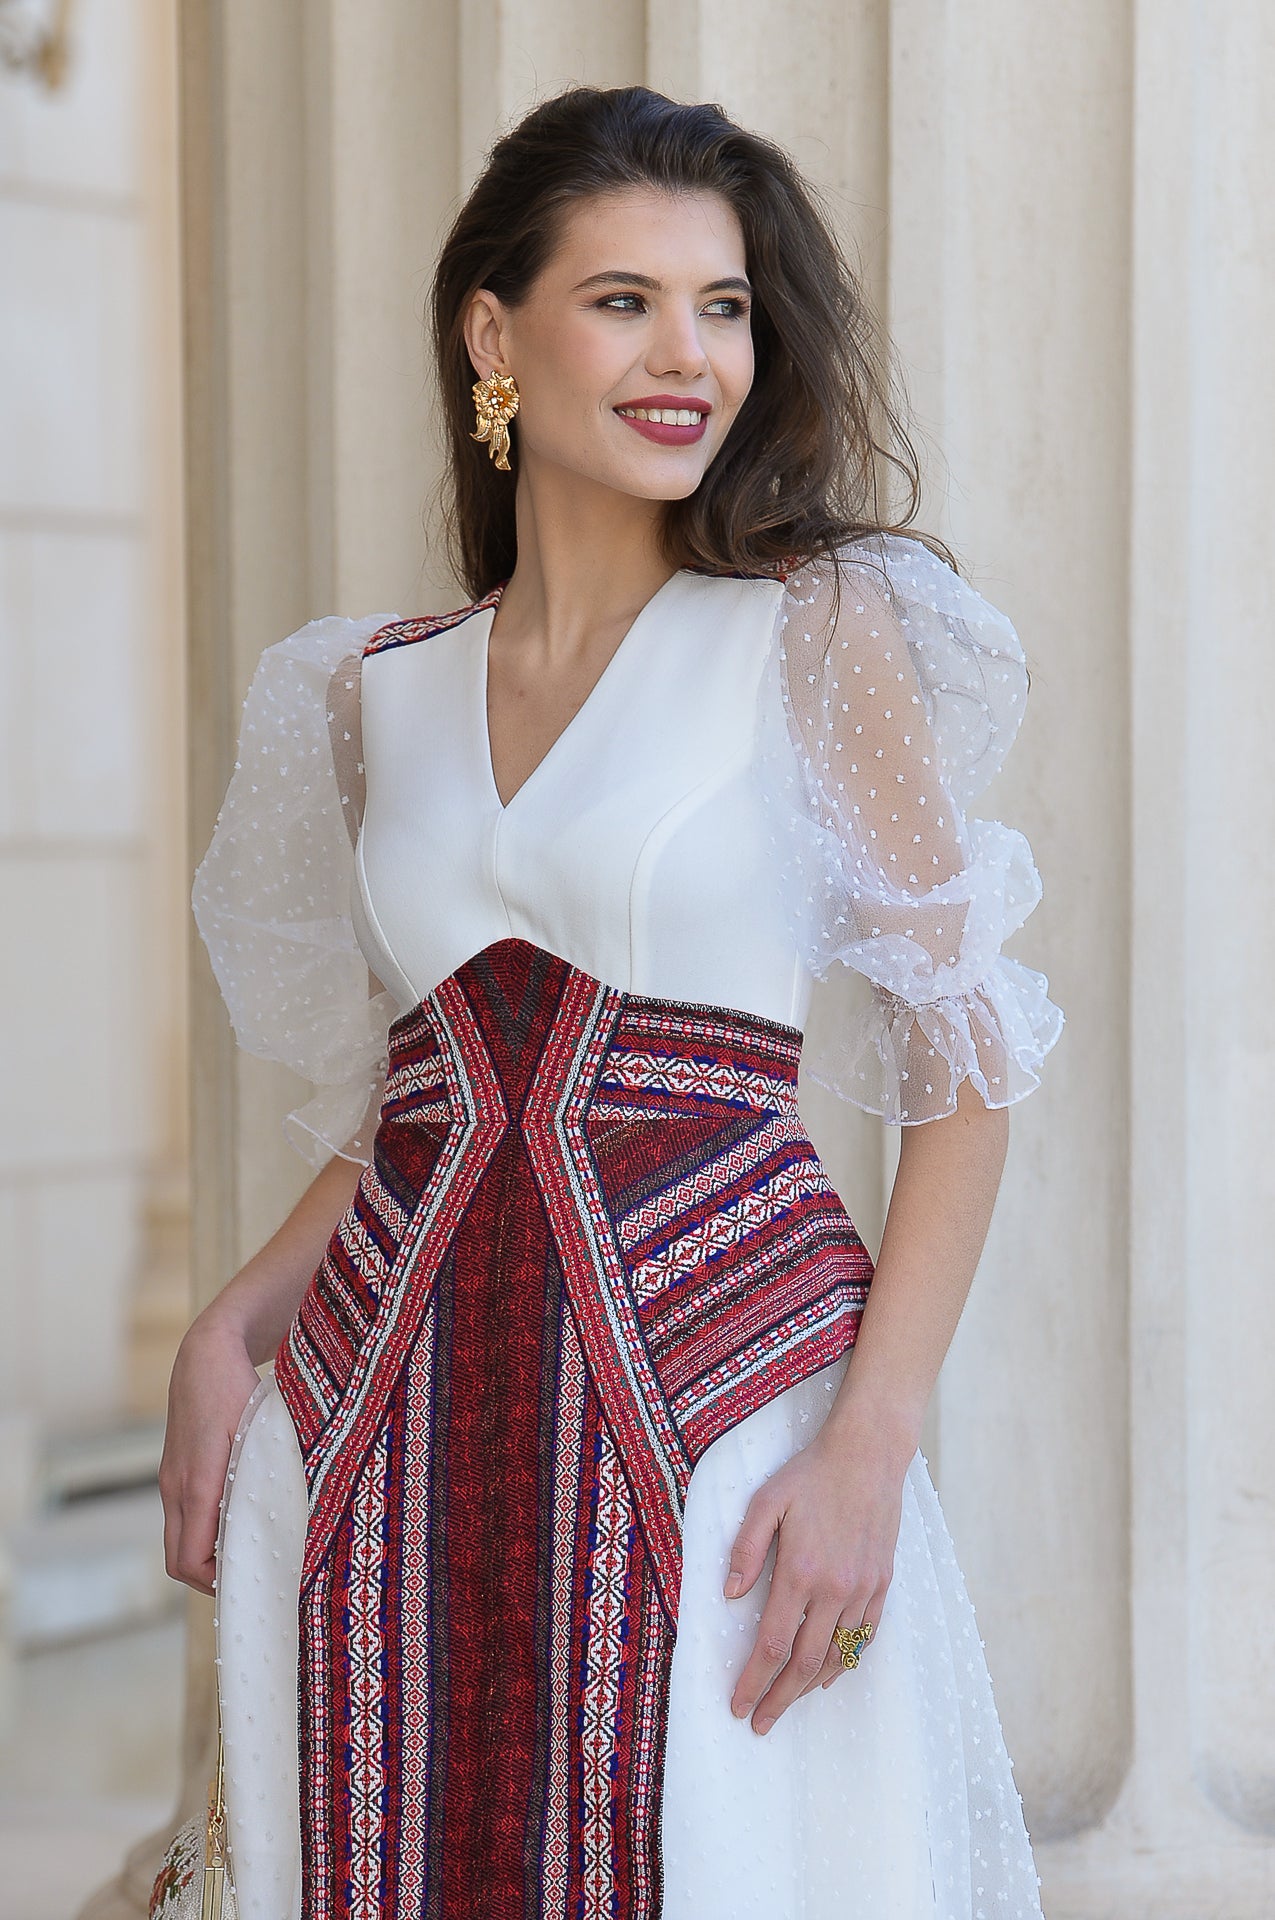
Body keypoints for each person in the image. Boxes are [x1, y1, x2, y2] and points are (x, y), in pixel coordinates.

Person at [160, 83, 1064, 1920]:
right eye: (625, 301)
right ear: (494, 337)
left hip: (722, 1414)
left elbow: (964, 1068)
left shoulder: (814, 634)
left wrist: (874, 1439)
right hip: (391, 1418)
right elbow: (417, 1102)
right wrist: (231, 1319)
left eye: (722, 307)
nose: (689, 358)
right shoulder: (370, 691)